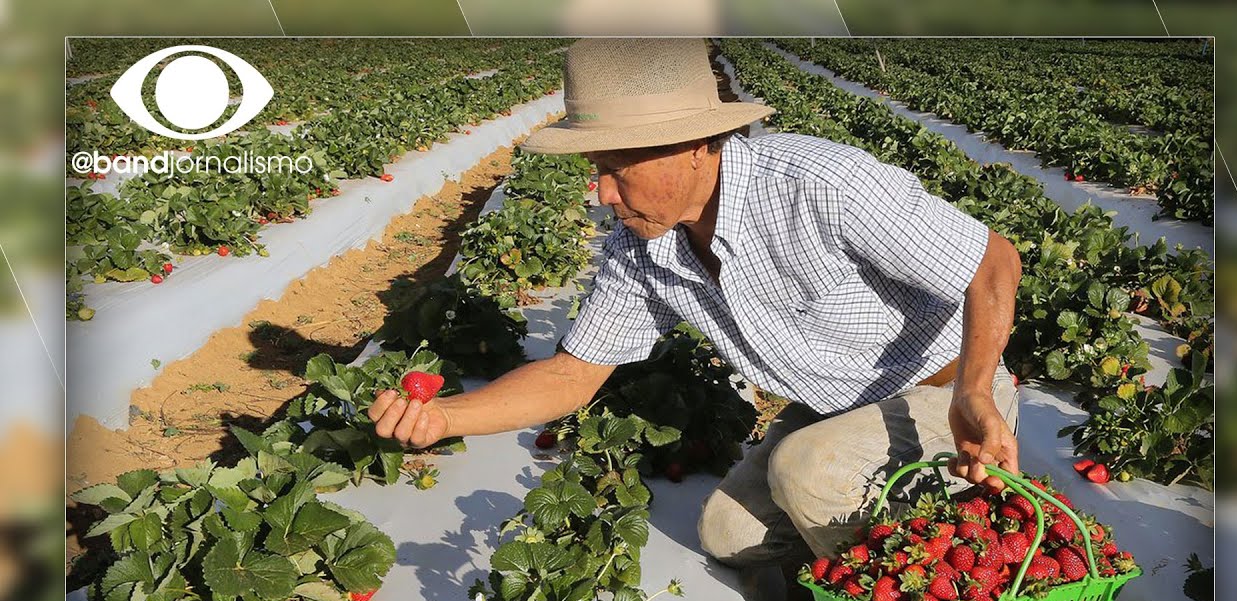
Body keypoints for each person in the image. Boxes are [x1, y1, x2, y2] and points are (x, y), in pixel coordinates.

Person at [368, 38, 1021, 569]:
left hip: (945, 396)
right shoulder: (641, 246)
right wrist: (445, 417)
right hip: (840, 408)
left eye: (618, 168)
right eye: (596, 167)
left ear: (694, 147)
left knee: (807, 471)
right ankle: (865, 534)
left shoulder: (820, 185)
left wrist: (974, 392)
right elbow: (572, 375)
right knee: (727, 534)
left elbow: (994, 261)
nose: (602, 193)